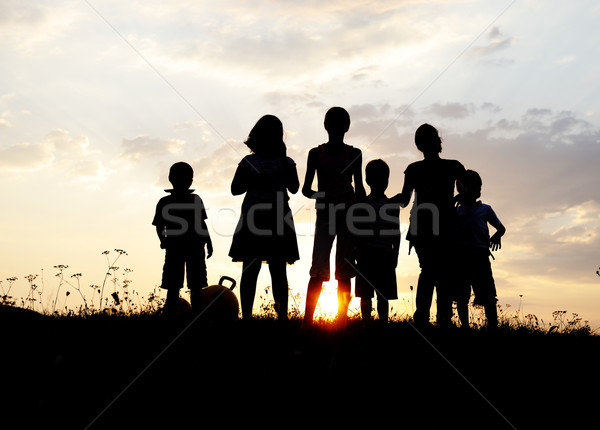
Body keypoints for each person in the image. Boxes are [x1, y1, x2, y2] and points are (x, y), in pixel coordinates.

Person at [391, 124, 465, 327]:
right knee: (443, 273)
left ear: (418, 145)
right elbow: (471, 189)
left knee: (429, 271)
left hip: (423, 226)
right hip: (445, 225)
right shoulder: (454, 166)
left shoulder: (415, 169)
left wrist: (383, 200)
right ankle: (443, 319)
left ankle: (423, 318)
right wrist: (458, 198)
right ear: (438, 141)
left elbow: (404, 200)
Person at [229, 114, 300, 321]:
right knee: (276, 270)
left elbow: (235, 189)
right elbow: (294, 188)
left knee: (254, 269)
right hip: (273, 219)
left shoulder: (249, 161)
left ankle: (250, 317)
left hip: (258, 218)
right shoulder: (283, 162)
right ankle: (281, 318)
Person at [302, 106, 366, 327]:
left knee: (344, 268)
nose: (337, 128)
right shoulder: (316, 153)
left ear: (347, 127)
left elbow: (359, 189)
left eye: (341, 124)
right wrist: (326, 195)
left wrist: (360, 212)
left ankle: (341, 320)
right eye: (334, 123)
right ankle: (308, 320)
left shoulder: (354, 153)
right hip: (326, 213)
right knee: (319, 265)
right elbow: (306, 189)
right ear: (326, 126)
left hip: (348, 214)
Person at [152, 162, 213, 318]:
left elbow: (201, 223)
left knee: (194, 286)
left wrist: (209, 242)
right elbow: (159, 225)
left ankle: (191, 315)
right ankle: (176, 316)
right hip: (180, 248)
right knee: (177, 286)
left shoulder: (188, 200)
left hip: (191, 247)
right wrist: (163, 240)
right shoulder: (166, 202)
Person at [454, 169, 505, 329]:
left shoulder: (485, 209)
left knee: (489, 294)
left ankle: (492, 325)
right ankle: (465, 326)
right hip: (461, 257)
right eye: (471, 187)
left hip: (481, 257)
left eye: (478, 187)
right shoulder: (456, 210)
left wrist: (497, 236)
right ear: (461, 190)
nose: (477, 190)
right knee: (462, 295)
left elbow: (501, 228)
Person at [353, 159, 400, 323]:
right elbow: (356, 230)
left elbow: (396, 232)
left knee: (383, 295)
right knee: (365, 295)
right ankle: (367, 323)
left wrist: (395, 255)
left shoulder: (391, 205)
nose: (381, 182)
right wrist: (356, 251)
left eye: (384, 178)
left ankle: (383, 323)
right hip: (366, 254)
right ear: (368, 181)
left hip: (385, 254)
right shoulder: (362, 204)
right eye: (377, 178)